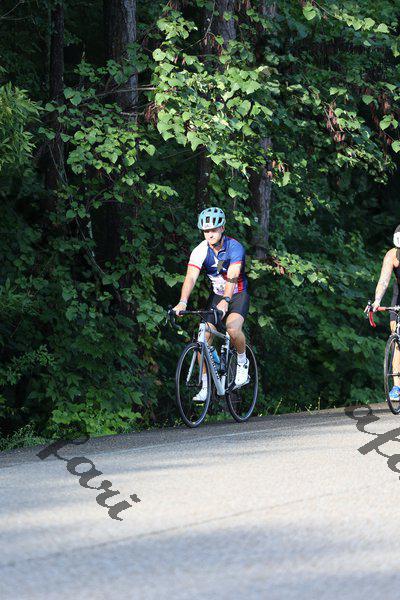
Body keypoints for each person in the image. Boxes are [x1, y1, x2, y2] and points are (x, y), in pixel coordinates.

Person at [173, 206, 250, 401]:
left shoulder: (234, 247)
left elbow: (232, 275)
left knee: (232, 329)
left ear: (222, 228)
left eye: (214, 230)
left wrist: (226, 300)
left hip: (237, 294)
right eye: (206, 231)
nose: (210, 234)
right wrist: (182, 302)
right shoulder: (200, 250)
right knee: (203, 336)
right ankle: (206, 387)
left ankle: (242, 363)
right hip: (217, 296)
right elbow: (191, 277)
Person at [365, 224, 400, 400]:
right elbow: (384, 280)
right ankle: (397, 387)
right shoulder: (392, 255)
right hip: (399, 294)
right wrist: (377, 301)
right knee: (396, 335)